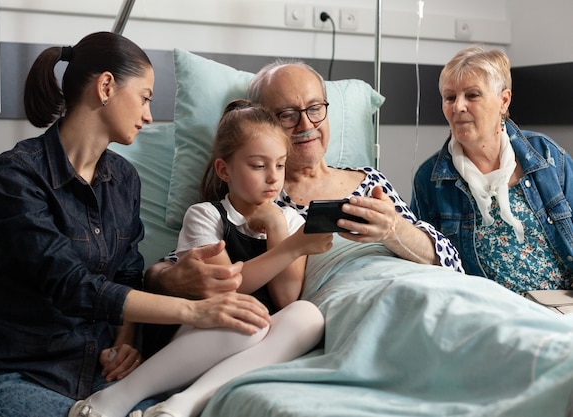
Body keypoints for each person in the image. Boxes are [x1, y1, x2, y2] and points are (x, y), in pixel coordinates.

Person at [0, 32, 271, 417]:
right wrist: (194, 312)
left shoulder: (123, 178)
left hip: (97, 374)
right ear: (106, 86)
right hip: (12, 375)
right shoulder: (15, 176)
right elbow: (70, 284)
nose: (149, 115)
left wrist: (125, 342)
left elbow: (126, 271)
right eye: (145, 97)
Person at [68, 99, 332, 417]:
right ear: (225, 170)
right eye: (259, 166)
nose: (273, 177)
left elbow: (287, 297)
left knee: (308, 317)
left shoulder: (289, 222)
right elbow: (229, 288)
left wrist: (277, 226)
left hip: (251, 342)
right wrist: (292, 248)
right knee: (243, 317)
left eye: (280, 164)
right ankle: (120, 396)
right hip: (197, 335)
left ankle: (184, 404)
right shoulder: (206, 216)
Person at [144, 59, 464, 303]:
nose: (306, 124)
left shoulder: (371, 180)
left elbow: (448, 262)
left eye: (315, 108)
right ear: (262, 122)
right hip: (354, 303)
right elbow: (174, 271)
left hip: (424, 287)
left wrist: (395, 230)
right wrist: (163, 279)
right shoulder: (256, 196)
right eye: (287, 114)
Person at [411, 44, 573, 294]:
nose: (458, 106)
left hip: (563, 305)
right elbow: (424, 267)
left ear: (503, 100)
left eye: (472, 95)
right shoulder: (430, 180)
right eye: (450, 97)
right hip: (490, 313)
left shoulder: (547, 156)